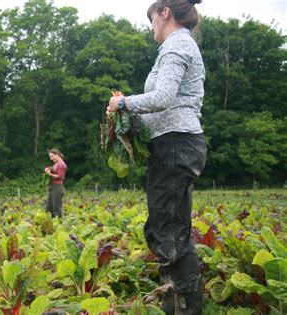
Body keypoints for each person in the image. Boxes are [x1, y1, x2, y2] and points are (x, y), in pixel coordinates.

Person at [107, 1, 207, 313]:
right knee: (168, 224)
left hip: (177, 145)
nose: (150, 26)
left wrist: (122, 105)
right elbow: (167, 103)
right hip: (173, 144)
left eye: (151, 19)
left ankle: (187, 305)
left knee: (167, 228)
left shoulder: (177, 45)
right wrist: (130, 125)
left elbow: (163, 98)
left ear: (164, 13)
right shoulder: (177, 45)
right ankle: (176, 296)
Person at [44, 149, 67, 218]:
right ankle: (49, 225)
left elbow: (61, 177)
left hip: (58, 187)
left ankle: (58, 224)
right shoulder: (56, 164)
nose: (51, 158)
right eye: (50, 157)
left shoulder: (61, 164)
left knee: (56, 208)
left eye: (52, 156)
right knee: (49, 208)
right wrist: (49, 169)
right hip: (53, 186)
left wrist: (49, 173)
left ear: (57, 154)